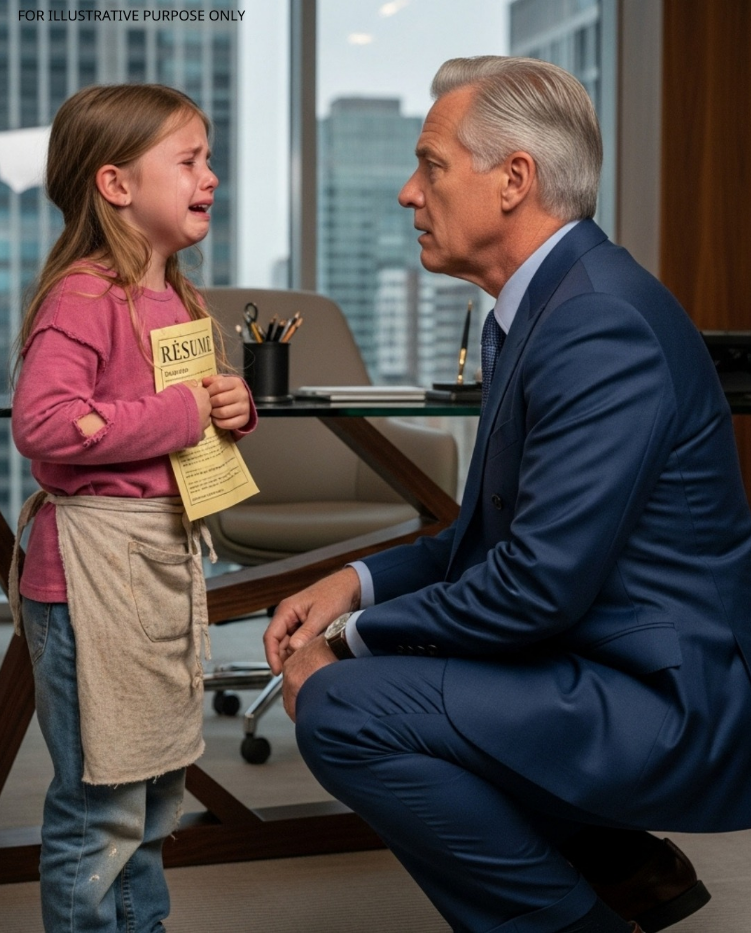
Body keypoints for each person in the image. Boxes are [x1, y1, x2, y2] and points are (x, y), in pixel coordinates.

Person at [265, 56, 751, 933]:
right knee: (381, 673)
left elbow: (532, 585)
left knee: (342, 706)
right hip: (600, 660)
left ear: (514, 180)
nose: (410, 193)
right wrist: (356, 584)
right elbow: (480, 545)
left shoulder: (596, 320)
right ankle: (622, 866)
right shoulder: (547, 307)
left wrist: (347, 643)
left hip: (671, 701)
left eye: (431, 165)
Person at [10, 84, 256, 932]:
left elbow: (176, 425)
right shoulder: (84, 297)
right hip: (90, 580)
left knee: (153, 797)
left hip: (152, 562)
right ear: (116, 185)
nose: (210, 176)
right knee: (100, 804)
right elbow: (43, 426)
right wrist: (187, 411)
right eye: (189, 160)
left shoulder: (180, 300)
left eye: (208, 159)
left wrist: (230, 407)